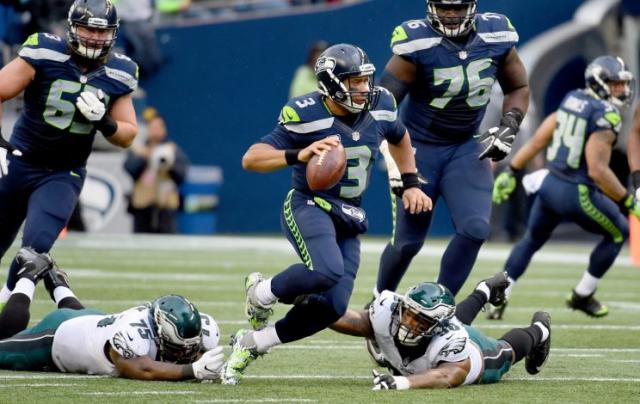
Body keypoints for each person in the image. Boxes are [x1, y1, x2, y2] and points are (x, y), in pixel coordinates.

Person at [222, 43, 432, 385]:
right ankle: (261, 292)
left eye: (365, 80)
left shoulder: (381, 105)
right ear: (332, 84)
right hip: (309, 204)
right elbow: (252, 158)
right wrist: (298, 154)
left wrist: (410, 182)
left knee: (333, 307)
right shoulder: (304, 113)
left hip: (348, 214)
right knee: (326, 270)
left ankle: (254, 342)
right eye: (354, 82)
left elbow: (400, 136)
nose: (364, 88)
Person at [375, 0, 530, 297]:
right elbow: (385, 107)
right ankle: (378, 303)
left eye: (458, 7)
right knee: (408, 242)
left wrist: (509, 125)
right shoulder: (416, 43)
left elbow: (518, 88)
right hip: (417, 148)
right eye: (444, 7)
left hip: (465, 146)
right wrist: (394, 159)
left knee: (475, 230)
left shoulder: (496, 34)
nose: (450, 14)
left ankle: (438, 307)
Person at [0, 0, 139, 309]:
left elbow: (128, 134)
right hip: (18, 160)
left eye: (103, 33)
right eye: (89, 29)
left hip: (63, 173)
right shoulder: (44, 50)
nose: (95, 38)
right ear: (73, 27)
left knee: (34, 250)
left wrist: (105, 122)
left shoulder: (120, 71)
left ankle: (7, 305)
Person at [489, 55, 635, 319]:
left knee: (531, 240)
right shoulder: (605, 114)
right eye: (615, 84)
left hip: (550, 184)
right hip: (576, 191)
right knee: (618, 232)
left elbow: (537, 140)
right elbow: (597, 170)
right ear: (599, 82)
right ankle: (583, 294)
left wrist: (512, 170)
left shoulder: (574, 99)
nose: (622, 90)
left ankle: (501, 294)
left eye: (622, 84)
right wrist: (628, 201)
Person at [0, 247, 224, 381]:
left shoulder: (199, 329)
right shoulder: (133, 334)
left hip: (90, 322)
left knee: (81, 316)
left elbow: (202, 355)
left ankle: (58, 282)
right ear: (157, 331)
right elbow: (138, 368)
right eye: (178, 348)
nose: (186, 354)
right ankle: (29, 275)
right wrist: (191, 370)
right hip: (57, 336)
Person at [330, 273, 551, 390]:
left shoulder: (450, 339)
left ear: (439, 326)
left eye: (420, 321)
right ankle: (485, 289)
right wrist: (312, 306)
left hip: (474, 354)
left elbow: (446, 377)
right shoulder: (388, 311)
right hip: (434, 336)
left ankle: (540, 330)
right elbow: (353, 320)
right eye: (409, 314)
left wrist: (401, 383)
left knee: (504, 353)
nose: (409, 323)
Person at [124, 107, 189, 234]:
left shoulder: (172, 149)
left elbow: (182, 175)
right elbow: (129, 169)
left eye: (158, 127)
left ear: (164, 129)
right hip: (142, 206)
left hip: (166, 208)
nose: (155, 130)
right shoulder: (140, 149)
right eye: (152, 127)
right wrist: (147, 157)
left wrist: (169, 164)